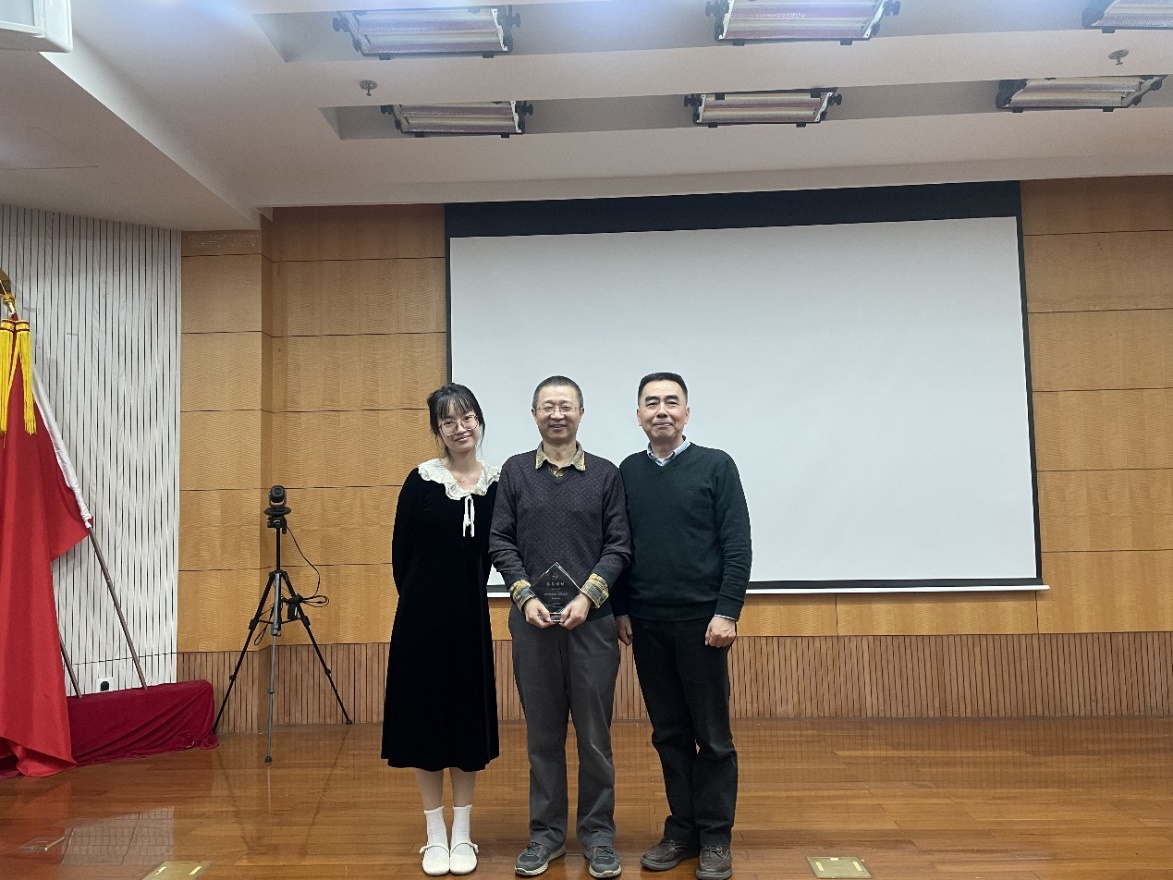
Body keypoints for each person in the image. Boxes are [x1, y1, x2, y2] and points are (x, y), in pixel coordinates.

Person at [489, 376, 631, 879]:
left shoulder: (607, 475)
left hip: (592, 625)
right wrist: (524, 595)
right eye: (547, 406)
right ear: (534, 415)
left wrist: (588, 597)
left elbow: (619, 545)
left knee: (594, 737)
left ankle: (598, 836)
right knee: (543, 737)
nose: (557, 414)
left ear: (581, 413)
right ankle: (546, 835)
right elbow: (500, 540)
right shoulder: (514, 472)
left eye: (565, 406)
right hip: (532, 625)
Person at [612, 372, 751, 880]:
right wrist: (620, 609)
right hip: (647, 624)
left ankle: (715, 837)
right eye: (652, 403)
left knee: (712, 736)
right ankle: (682, 830)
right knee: (668, 733)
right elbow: (618, 547)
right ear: (639, 415)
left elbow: (737, 544)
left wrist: (727, 611)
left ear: (687, 413)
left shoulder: (716, 465)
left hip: (703, 623)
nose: (662, 410)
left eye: (672, 402)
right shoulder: (627, 472)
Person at [382, 383, 501, 877]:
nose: (459, 427)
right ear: (437, 430)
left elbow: (501, 552)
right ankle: (435, 833)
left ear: (479, 421)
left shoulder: (498, 483)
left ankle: (463, 832)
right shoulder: (420, 481)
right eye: (448, 421)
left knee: (466, 723)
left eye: (467, 417)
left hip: (471, 620)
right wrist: (422, 603)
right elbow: (400, 556)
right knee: (425, 722)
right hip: (421, 622)